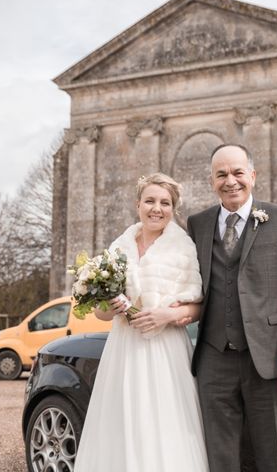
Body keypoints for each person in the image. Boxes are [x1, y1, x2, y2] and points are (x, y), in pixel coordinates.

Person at [187, 144, 277, 472]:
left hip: (270, 361)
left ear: (252, 176)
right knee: (220, 460)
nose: (230, 181)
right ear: (211, 180)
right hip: (213, 361)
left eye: (237, 172)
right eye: (221, 174)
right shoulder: (197, 224)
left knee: (273, 458)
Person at [74, 173, 209, 471]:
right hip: (123, 347)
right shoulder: (119, 246)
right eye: (150, 201)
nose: (156, 209)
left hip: (165, 349)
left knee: (164, 423)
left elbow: (199, 305)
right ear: (138, 204)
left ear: (173, 209)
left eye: (165, 203)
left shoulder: (184, 248)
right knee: (120, 423)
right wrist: (112, 303)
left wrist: (168, 315)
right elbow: (101, 314)